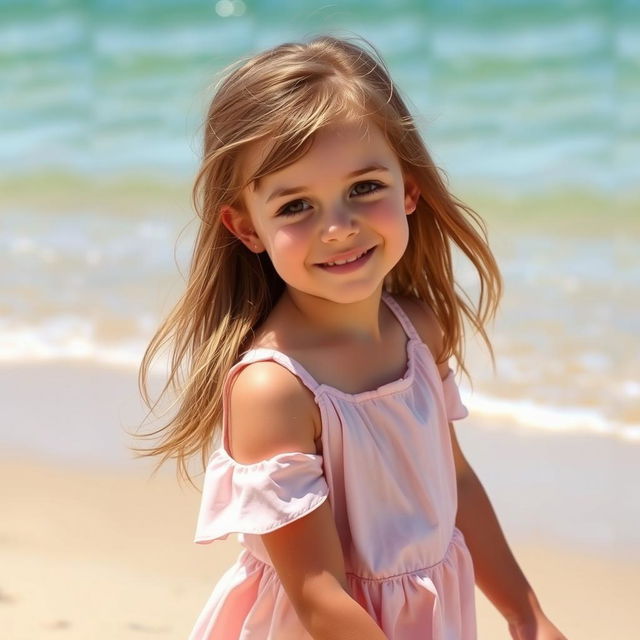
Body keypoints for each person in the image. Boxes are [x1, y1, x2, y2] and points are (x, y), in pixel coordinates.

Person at [137, 35, 568, 640]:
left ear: (409, 188)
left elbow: (457, 484)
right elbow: (318, 596)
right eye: (295, 207)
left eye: (364, 188)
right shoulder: (275, 389)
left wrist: (527, 614)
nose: (338, 228)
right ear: (246, 227)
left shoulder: (419, 330)